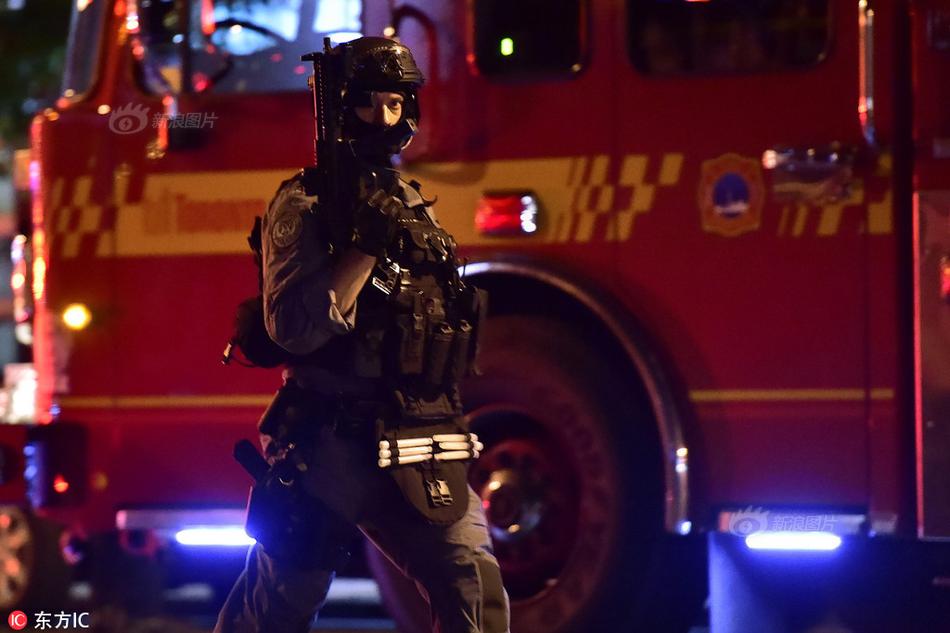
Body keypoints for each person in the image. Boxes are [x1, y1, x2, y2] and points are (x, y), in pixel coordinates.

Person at [214, 36, 510, 633]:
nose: (384, 117)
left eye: (396, 103)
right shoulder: (304, 201)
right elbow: (292, 329)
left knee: (471, 584)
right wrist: (362, 251)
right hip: (329, 440)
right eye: (369, 102)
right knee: (279, 603)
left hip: (421, 431)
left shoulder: (410, 203)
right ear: (343, 107)